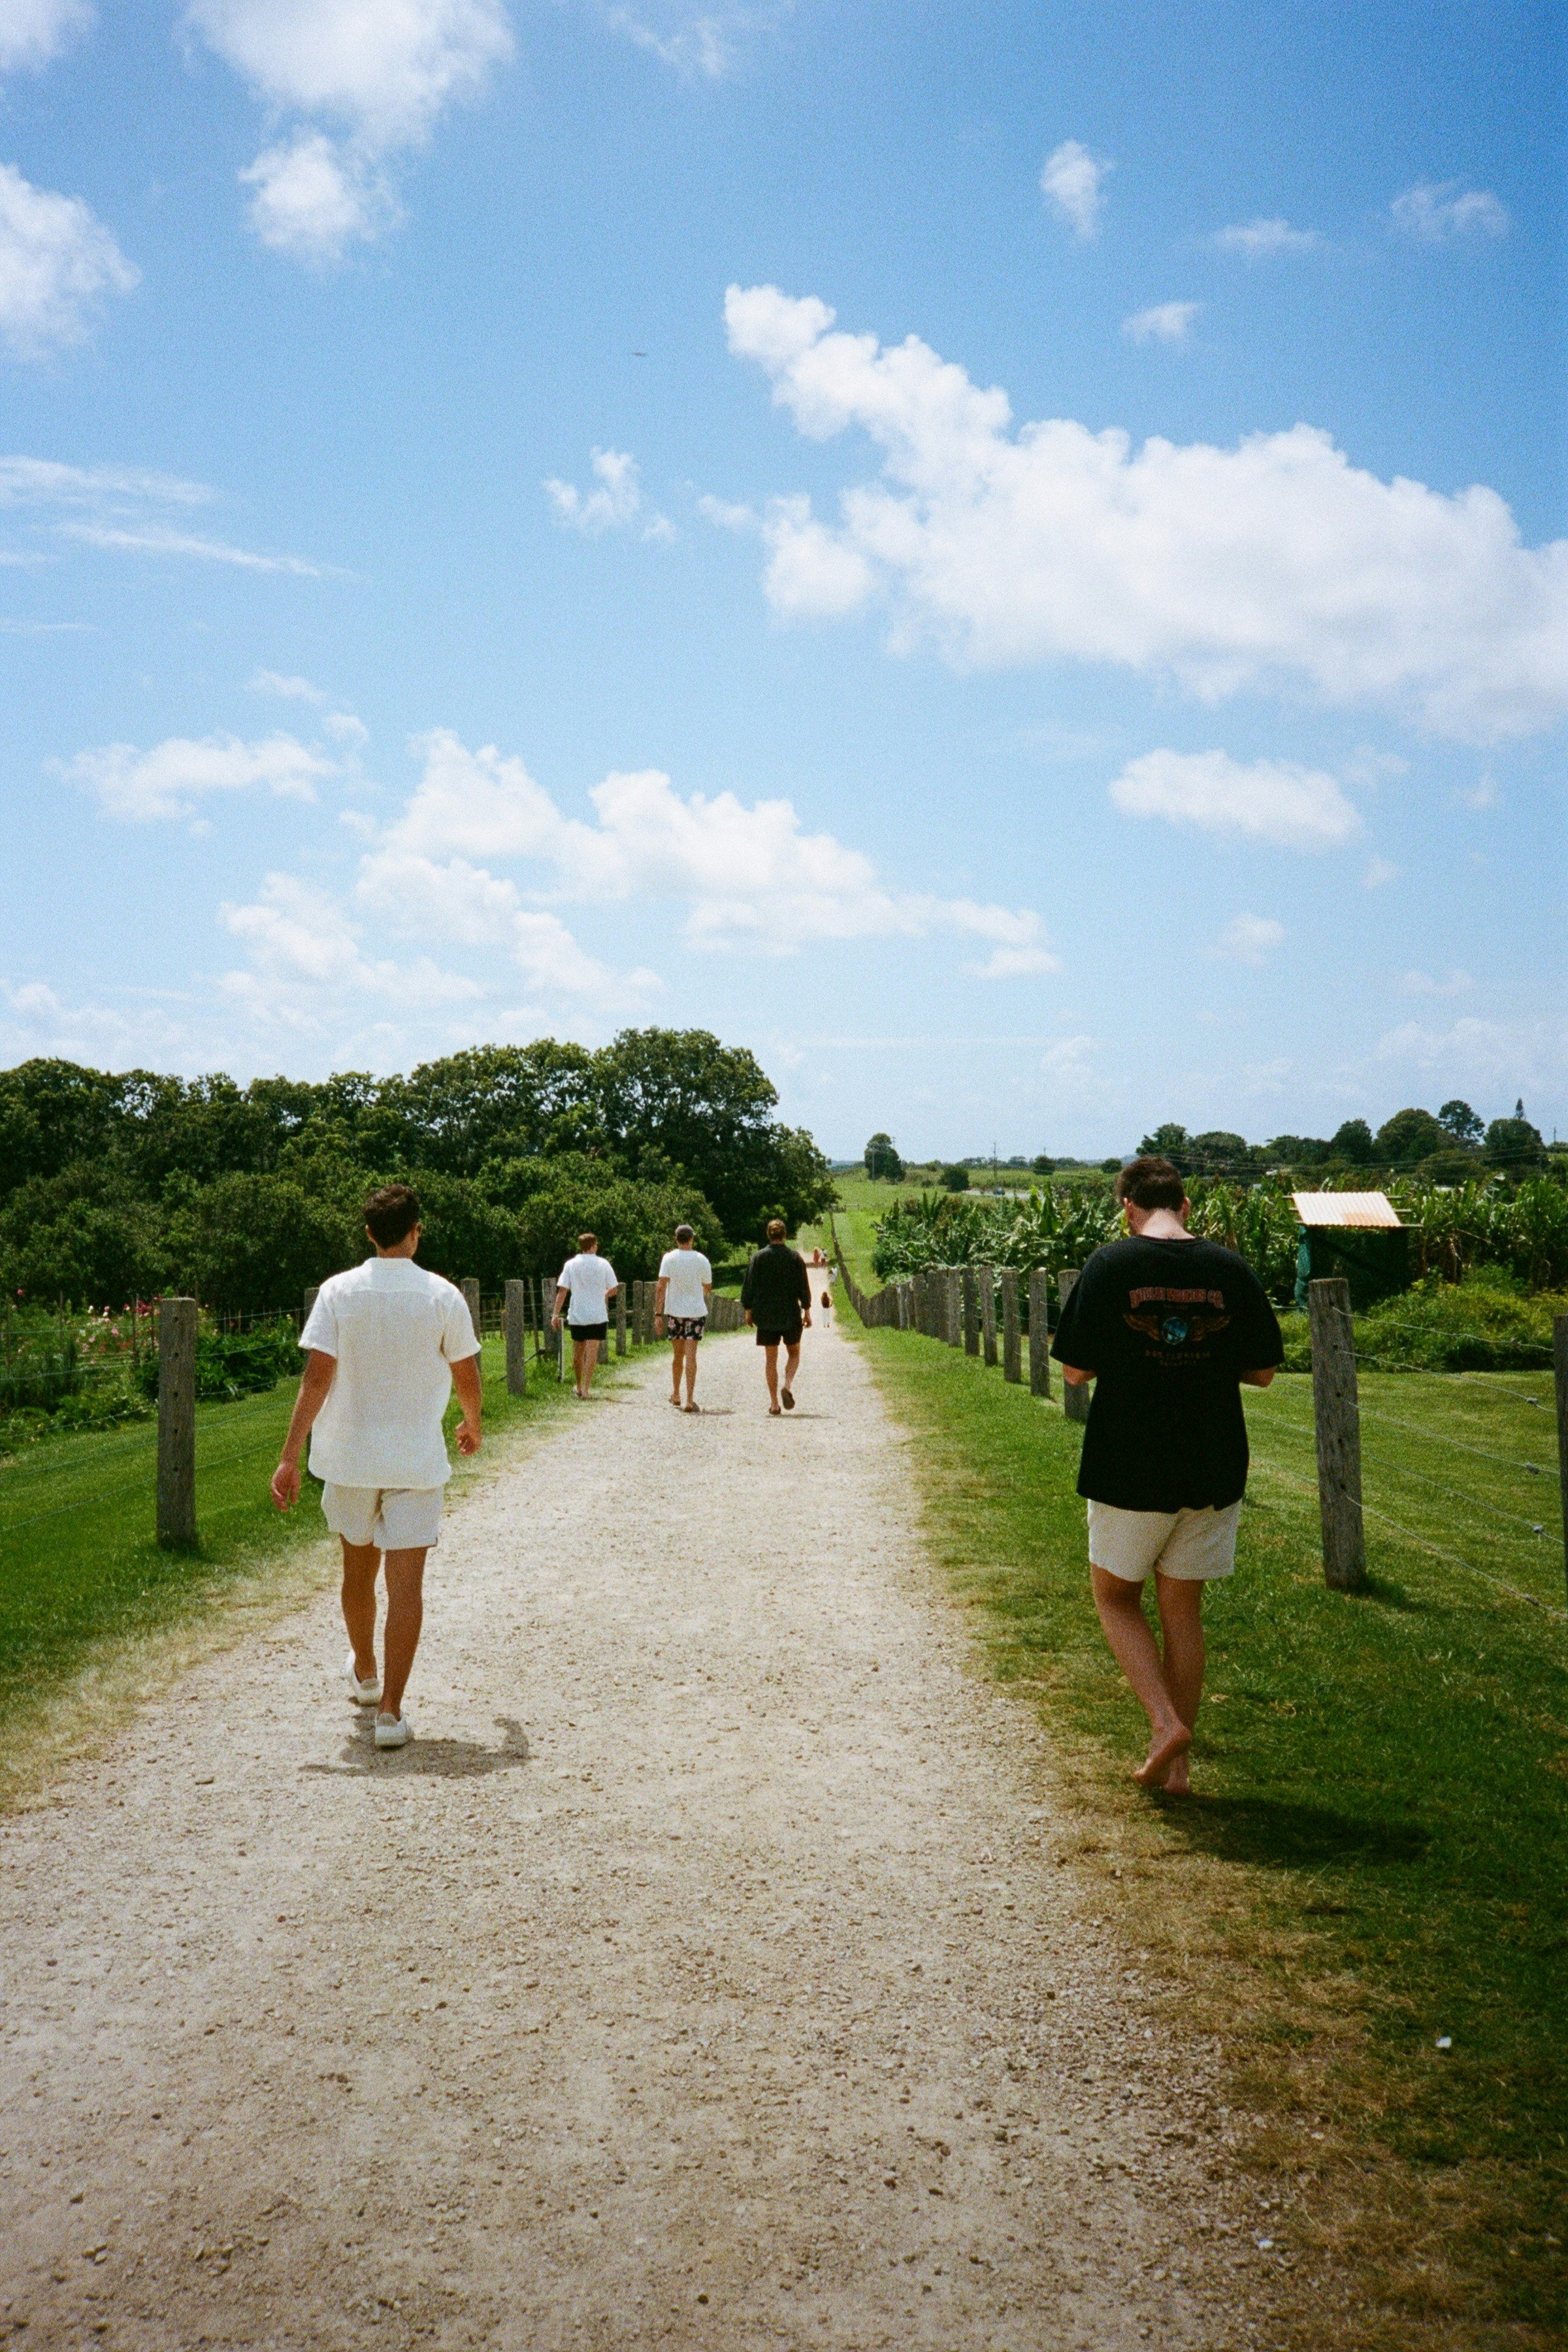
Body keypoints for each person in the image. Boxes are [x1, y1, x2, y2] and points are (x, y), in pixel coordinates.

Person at [1051, 1155, 1282, 1794]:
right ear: (1185, 1206)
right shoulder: (1230, 1269)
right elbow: (1262, 1370)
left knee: (1116, 1597)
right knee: (1183, 1611)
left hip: (1130, 1461)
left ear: (1127, 1207)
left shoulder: (1109, 1266)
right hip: (1212, 1462)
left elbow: (1074, 1371)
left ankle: (1163, 1725)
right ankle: (1177, 1772)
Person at [270, 1183, 482, 1751]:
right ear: (417, 1231)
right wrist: (472, 1423)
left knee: (357, 1571)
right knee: (406, 1586)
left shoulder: (339, 1292)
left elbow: (317, 1376)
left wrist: (290, 1455)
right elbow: (466, 1371)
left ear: (368, 1233)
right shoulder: (443, 1295)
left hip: (349, 1456)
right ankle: (391, 1712)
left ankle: (365, 1672)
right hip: (414, 1458)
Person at [741, 1217, 812, 1415]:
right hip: (790, 1314)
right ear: (785, 1235)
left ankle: (774, 1404)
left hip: (766, 1316)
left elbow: (749, 1286)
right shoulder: (794, 1258)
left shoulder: (759, 1258)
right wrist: (807, 1310)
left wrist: (748, 1310)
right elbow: (803, 1286)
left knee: (770, 1360)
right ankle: (787, 1385)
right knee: (794, 1353)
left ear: (769, 1235)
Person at [553, 1232, 620, 1399]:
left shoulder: (570, 1265)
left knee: (578, 1352)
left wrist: (555, 1314)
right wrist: (602, 1294)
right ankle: (586, 1388)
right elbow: (614, 1289)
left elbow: (563, 1290)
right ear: (594, 1245)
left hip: (577, 1314)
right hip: (597, 1315)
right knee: (592, 1352)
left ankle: (578, 1383)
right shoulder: (603, 1264)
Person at [655, 1223, 713, 1411]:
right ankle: (689, 1398)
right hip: (695, 1313)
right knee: (692, 1356)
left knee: (677, 1356)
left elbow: (661, 1286)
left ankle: (676, 1394)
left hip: (675, 1313)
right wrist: (697, 1296)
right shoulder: (702, 1259)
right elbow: (708, 1286)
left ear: (676, 1240)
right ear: (692, 1239)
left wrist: (658, 1313)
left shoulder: (669, 1259)